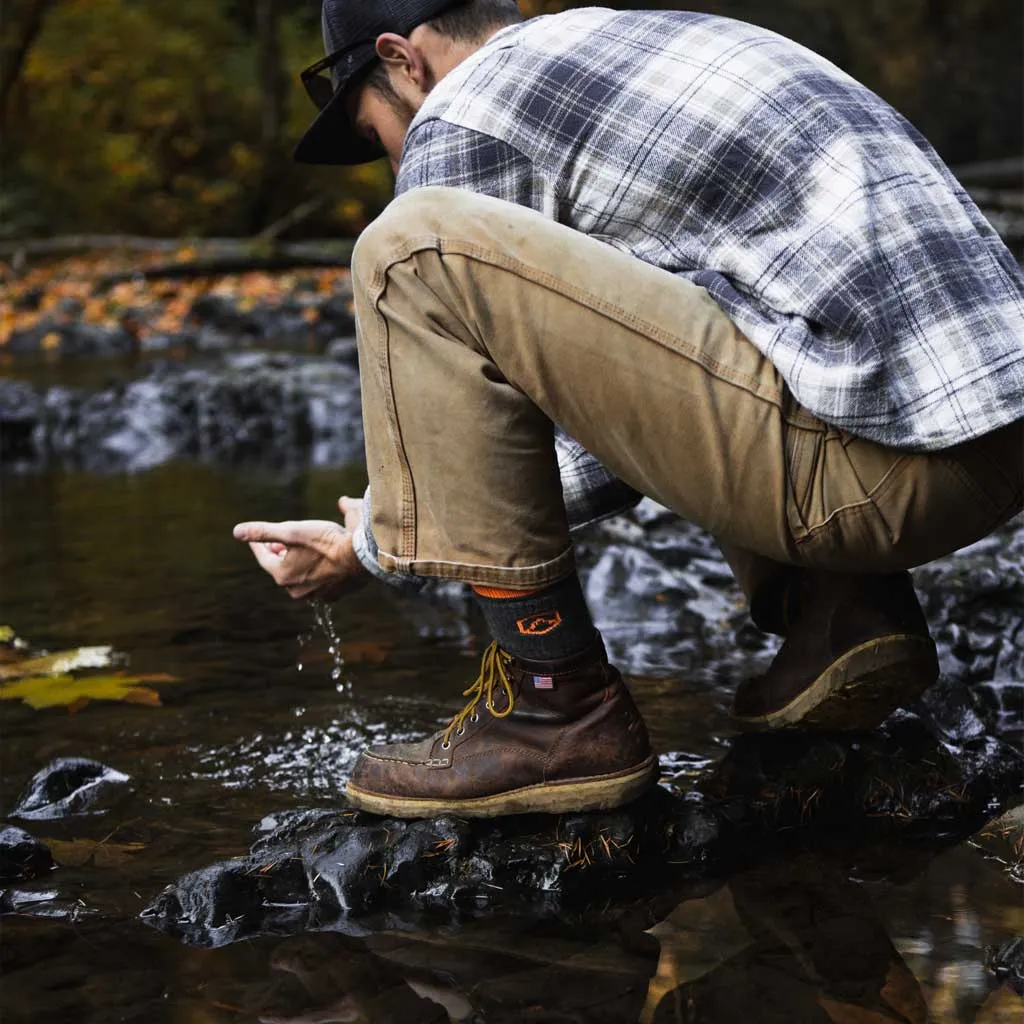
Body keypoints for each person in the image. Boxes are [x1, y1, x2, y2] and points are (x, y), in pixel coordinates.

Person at [234, 1, 1024, 819]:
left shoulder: (465, 109)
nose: (392, 159)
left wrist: (374, 542)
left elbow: (527, 442)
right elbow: (626, 388)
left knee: (408, 249)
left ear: (404, 60)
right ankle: (843, 614)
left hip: (883, 474)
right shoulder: (641, 41)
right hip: (987, 435)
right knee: (700, 276)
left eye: (374, 138)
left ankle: (554, 705)